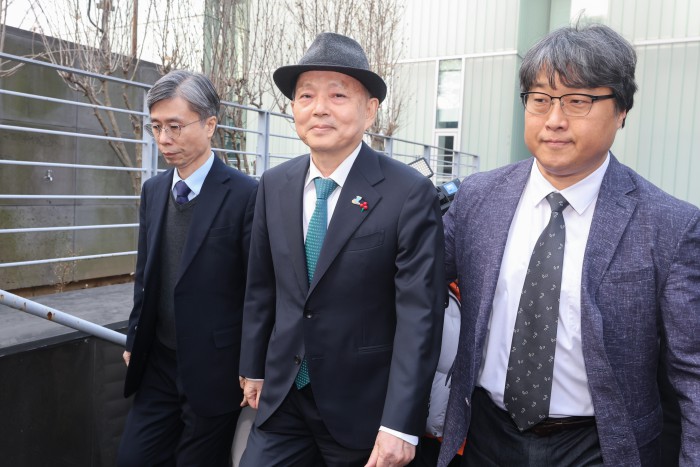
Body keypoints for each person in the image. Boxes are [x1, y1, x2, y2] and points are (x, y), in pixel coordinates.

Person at [438, 24, 700, 467]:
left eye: (578, 101)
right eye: (540, 99)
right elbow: (411, 285)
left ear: (621, 110)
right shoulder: (478, 199)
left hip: (599, 446)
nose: (554, 119)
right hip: (486, 434)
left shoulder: (669, 224)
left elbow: (692, 372)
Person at [238, 32, 445, 467]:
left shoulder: (407, 193)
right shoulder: (274, 184)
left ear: (369, 110)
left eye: (337, 95)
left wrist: (400, 424)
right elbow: (261, 286)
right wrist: (253, 366)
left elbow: (420, 317)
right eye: (306, 95)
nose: (319, 108)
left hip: (363, 410)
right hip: (283, 397)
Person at [117, 70, 258, 466]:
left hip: (215, 369)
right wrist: (133, 337)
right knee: (133, 458)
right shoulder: (154, 190)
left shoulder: (247, 194)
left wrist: (252, 365)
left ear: (209, 125)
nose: (164, 138)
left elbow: (258, 289)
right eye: (156, 126)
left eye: (175, 126)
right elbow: (145, 274)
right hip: (158, 363)